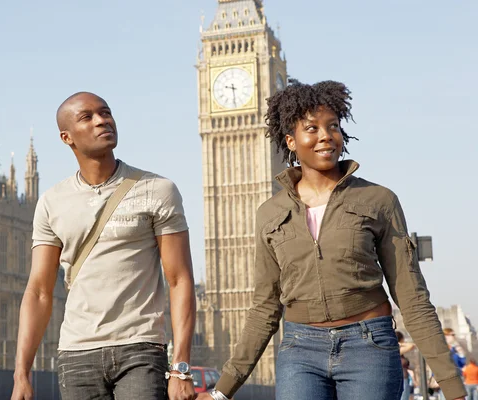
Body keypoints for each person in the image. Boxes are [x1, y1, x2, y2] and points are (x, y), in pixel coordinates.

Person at [198, 79, 467, 400]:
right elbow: (264, 308)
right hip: (300, 349)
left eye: (333, 126)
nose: (325, 135)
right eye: (311, 128)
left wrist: (452, 386)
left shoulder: (377, 199)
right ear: (290, 140)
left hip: (369, 346)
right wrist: (222, 390)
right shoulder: (270, 212)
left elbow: (412, 299)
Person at [11, 92, 197, 400]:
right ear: (66, 137)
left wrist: (180, 367)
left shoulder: (157, 190)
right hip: (76, 354)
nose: (102, 120)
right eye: (88, 117)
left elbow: (179, 280)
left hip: (140, 349)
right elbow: (39, 291)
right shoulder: (51, 202)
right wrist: (22, 373)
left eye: (106, 113)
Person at [397, 331, 415, 400]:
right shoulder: (397, 351)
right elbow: (411, 345)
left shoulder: (401, 353)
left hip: (405, 379)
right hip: (401, 379)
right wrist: (400, 344)